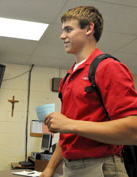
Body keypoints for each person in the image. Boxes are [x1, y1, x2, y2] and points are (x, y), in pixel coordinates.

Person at [40, 6, 137, 177]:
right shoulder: (69, 77)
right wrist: (48, 169)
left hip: (101, 166)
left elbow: (133, 130)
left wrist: (69, 124)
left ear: (89, 29)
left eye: (68, 29)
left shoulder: (108, 68)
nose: (62, 36)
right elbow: (68, 136)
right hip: (71, 168)